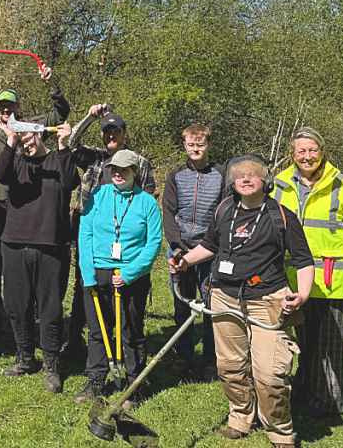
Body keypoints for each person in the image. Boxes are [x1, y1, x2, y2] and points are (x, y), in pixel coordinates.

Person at [171, 155, 314, 448]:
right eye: (240, 175)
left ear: (266, 181)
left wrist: (301, 295)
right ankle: (239, 419)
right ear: (232, 183)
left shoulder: (282, 217)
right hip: (224, 297)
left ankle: (280, 432)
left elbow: (303, 261)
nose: (246, 179)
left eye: (253, 174)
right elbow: (210, 246)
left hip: (268, 301)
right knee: (230, 367)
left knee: (271, 373)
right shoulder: (224, 210)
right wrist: (185, 260)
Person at [0, 61, 70, 335]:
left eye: (10, 107)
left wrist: (50, 84)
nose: (6, 111)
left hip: (28, 208)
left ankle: (26, 320)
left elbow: (61, 113)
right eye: (2, 107)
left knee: (24, 268)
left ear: (17, 108)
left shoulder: (29, 127)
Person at [272, 127, 343, 419]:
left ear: (322, 151)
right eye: (301, 151)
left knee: (330, 344)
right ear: (292, 155)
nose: (307, 156)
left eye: (313, 150)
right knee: (303, 342)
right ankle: (304, 392)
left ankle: (328, 402)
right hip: (294, 280)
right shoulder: (279, 185)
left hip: (334, 280)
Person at [73, 150, 162, 409]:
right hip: (97, 273)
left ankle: (135, 383)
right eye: (114, 169)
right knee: (97, 329)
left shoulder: (147, 203)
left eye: (123, 170)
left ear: (135, 172)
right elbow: (85, 233)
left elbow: (153, 243)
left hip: (130, 276)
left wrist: (129, 274)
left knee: (130, 331)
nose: (117, 174)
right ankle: (96, 378)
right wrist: (87, 274)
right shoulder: (98, 196)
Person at [0, 120, 78, 393]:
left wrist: (64, 145)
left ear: (40, 135)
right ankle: (25, 357)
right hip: (15, 244)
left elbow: (70, 181)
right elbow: (0, 175)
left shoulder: (58, 159)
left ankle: (51, 364)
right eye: (21, 140)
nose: (25, 144)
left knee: (50, 308)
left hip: (51, 245)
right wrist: (11, 141)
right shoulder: (15, 162)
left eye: (28, 138)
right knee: (17, 306)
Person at [66, 104, 156, 357]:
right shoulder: (94, 157)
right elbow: (70, 143)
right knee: (84, 283)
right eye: (107, 131)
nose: (111, 136)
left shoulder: (140, 163)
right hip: (89, 230)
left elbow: (148, 200)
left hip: (126, 242)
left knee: (127, 289)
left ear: (124, 134)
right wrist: (89, 117)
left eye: (116, 131)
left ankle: (125, 341)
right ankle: (76, 338)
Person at [160, 122, 226, 381]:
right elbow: (168, 212)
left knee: (211, 306)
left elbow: (224, 214)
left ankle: (212, 360)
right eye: (191, 144)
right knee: (182, 304)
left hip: (210, 252)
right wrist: (176, 247)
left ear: (208, 145)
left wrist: (211, 246)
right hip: (180, 249)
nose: (195, 149)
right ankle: (183, 355)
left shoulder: (222, 175)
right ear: (184, 145)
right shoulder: (176, 175)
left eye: (200, 144)